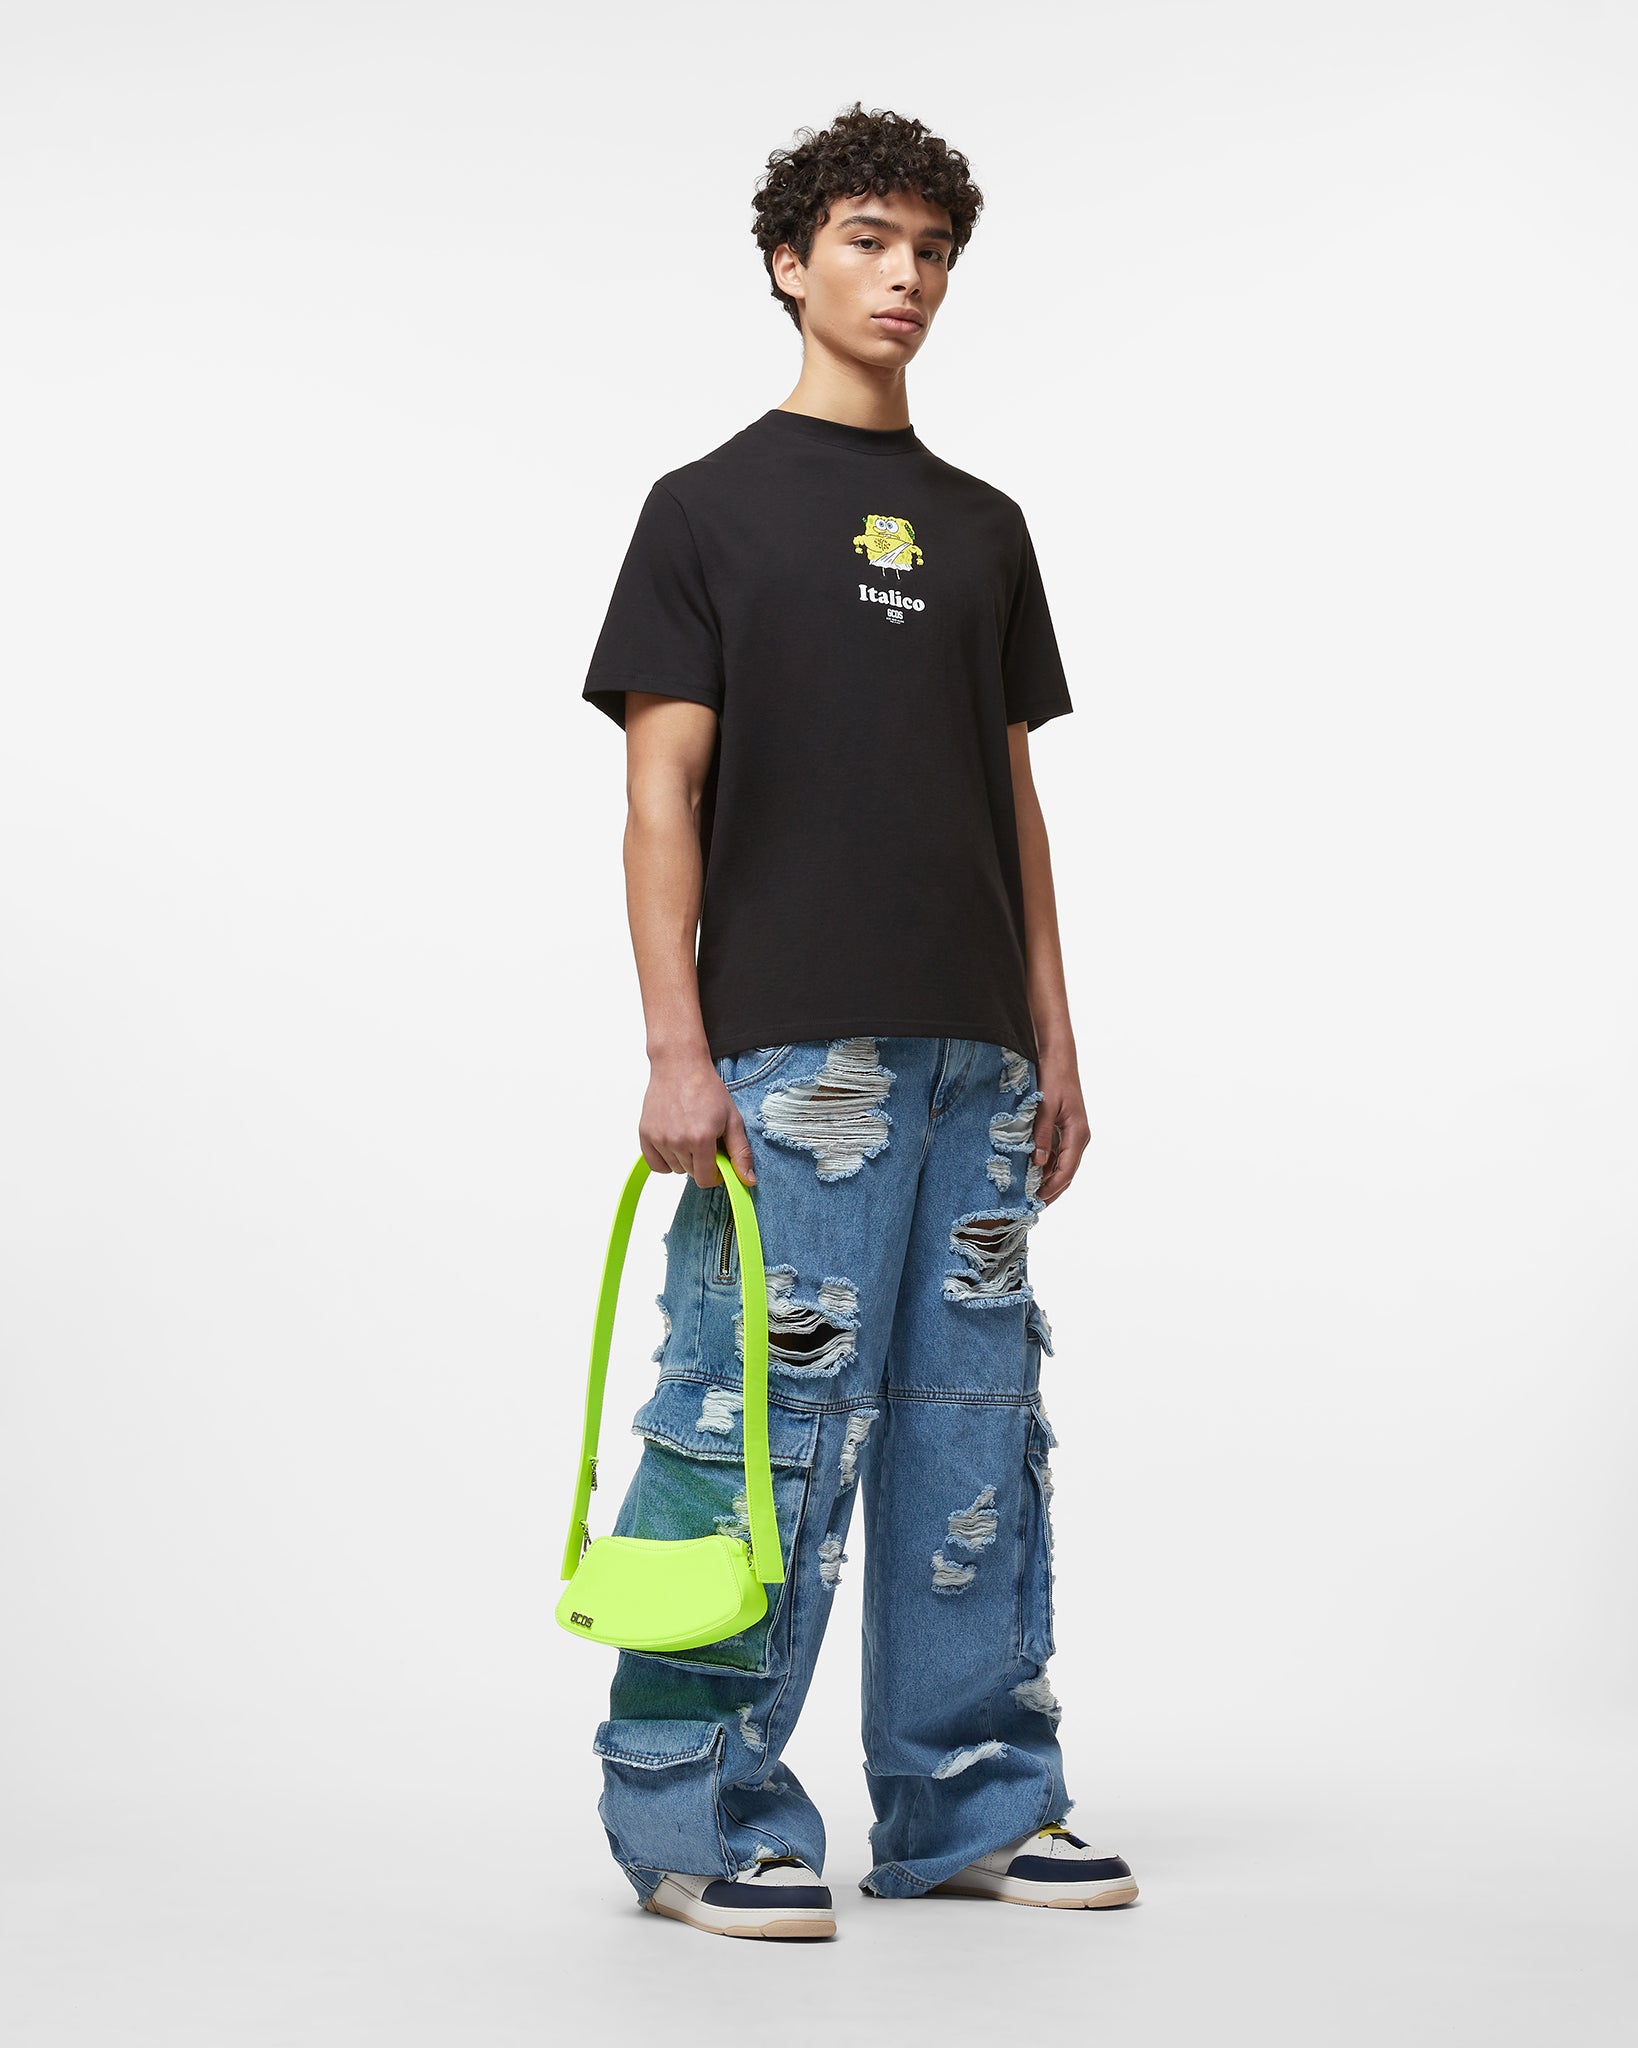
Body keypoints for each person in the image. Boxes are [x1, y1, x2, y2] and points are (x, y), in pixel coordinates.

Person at [578, 101, 1137, 1940]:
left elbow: (1011, 802)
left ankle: (970, 1801)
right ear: (788, 262)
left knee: (973, 1425)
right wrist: (675, 1047)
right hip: (787, 1053)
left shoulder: (984, 527)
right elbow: (659, 794)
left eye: (932, 253)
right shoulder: (705, 508)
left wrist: (1053, 1040)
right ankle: (692, 1817)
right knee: (752, 1424)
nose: (905, 279)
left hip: (974, 1057)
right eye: (869, 242)